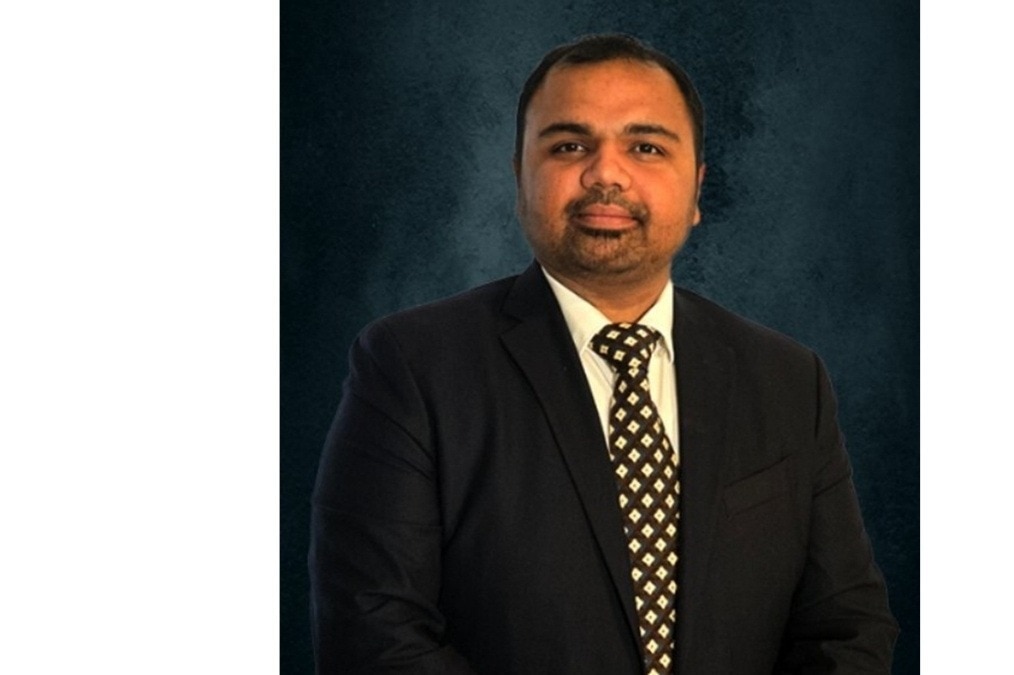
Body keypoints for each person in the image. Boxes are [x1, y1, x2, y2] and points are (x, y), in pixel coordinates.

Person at [310, 33, 898, 674]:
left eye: (646, 147)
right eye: (569, 146)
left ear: (697, 190)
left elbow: (845, 626)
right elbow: (375, 633)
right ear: (520, 179)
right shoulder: (410, 365)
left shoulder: (788, 379)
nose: (606, 174)